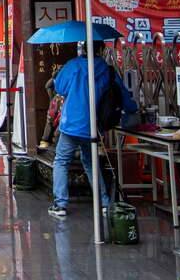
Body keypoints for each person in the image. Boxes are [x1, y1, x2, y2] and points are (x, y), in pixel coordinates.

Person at [49, 40, 136, 219]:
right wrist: (133, 109)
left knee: (61, 161)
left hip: (72, 124)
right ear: (101, 50)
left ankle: (60, 204)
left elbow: (60, 88)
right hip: (94, 125)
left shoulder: (73, 65)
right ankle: (104, 202)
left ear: (83, 49)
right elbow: (123, 95)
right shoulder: (107, 70)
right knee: (90, 162)